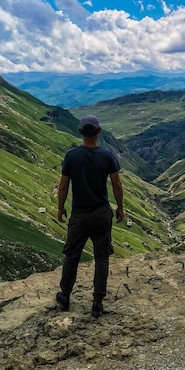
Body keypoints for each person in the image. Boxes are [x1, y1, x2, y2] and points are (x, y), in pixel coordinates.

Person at [56, 114, 124, 316]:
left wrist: (60, 208)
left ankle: (65, 296)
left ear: (80, 132)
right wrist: (120, 207)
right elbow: (117, 184)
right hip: (102, 213)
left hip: (79, 215)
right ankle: (97, 301)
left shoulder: (71, 156)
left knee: (71, 256)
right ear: (99, 131)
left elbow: (63, 184)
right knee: (102, 257)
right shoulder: (107, 155)